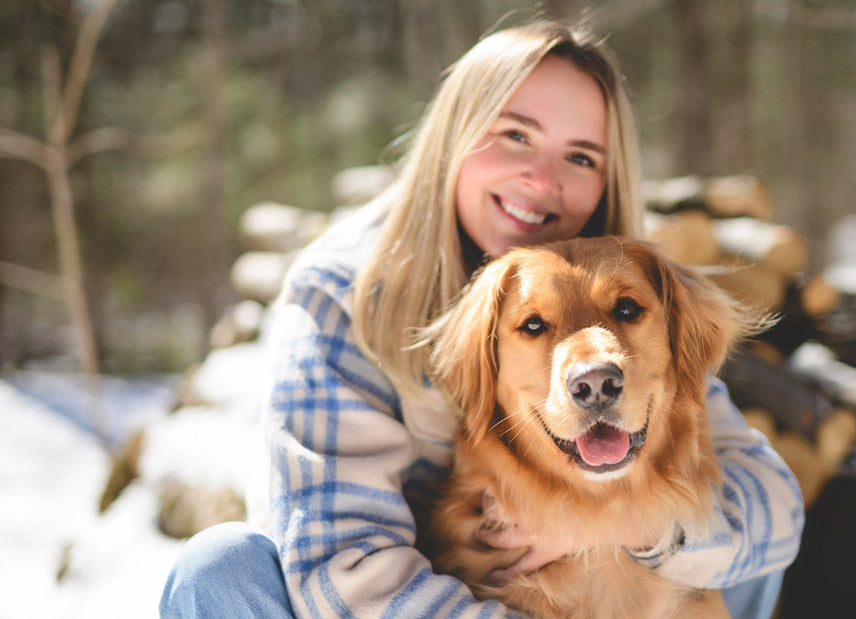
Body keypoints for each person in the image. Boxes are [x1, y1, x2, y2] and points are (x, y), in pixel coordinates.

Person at [160, 18, 804, 619]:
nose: (540, 180)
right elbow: (341, 563)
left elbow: (776, 511)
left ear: (608, 182)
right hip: (430, 599)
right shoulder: (340, 293)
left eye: (580, 156)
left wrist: (625, 526)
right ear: (453, 139)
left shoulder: (621, 283)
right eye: (515, 135)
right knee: (219, 571)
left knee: (731, 547)